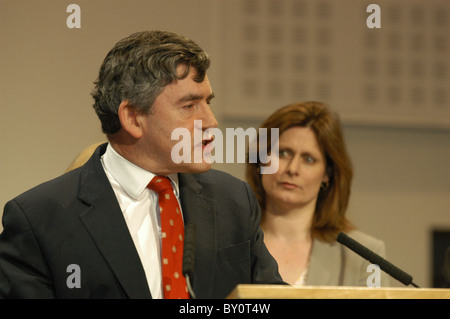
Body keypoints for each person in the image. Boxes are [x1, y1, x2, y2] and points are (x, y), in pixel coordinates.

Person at [0, 30, 284, 299]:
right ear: (133, 118)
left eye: (207, 102)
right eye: (189, 106)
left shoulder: (234, 200)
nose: (211, 121)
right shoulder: (40, 220)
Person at [246, 101, 390, 287]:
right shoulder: (229, 243)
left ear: (327, 174)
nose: (292, 169)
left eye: (308, 159)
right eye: (283, 153)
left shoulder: (364, 256)